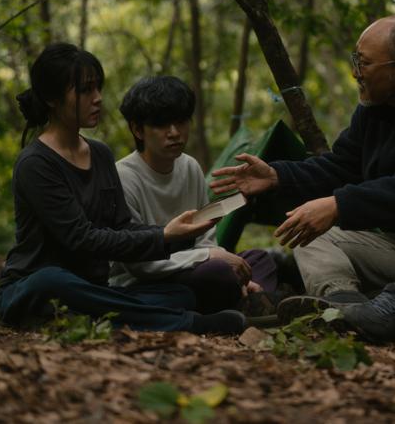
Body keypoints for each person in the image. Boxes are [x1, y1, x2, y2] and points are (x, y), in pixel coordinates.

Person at [209, 15, 395, 343]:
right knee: (312, 231)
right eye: (355, 60)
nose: (355, 72)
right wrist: (277, 175)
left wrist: (340, 204)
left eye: (364, 63)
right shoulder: (373, 111)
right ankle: (345, 307)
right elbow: (340, 167)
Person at [0, 43, 246, 335]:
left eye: (98, 88)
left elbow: (122, 225)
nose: (98, 98)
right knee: (52, 281)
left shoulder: (100, 153)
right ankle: (188, 324)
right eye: (86, 90)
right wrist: (163, 235)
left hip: (96, 289)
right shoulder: (35, 163)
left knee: (180, 294)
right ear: (53, 98)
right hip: (37, 286)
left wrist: (173, 236)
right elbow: (81, 238)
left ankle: (91, 318)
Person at [109, 76, 278, 314]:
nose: (175, 133)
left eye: (181, 122)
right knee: (216, 273)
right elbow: (140, 267)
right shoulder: (123, 177)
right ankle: (254, 304)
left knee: (260, 259)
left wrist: (222, 262)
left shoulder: (189, 166)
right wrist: (210, 257)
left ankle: (247, 299)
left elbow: (206, 236)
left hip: (193, 268)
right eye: (162, 125)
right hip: (146, 282)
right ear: (138, 129)